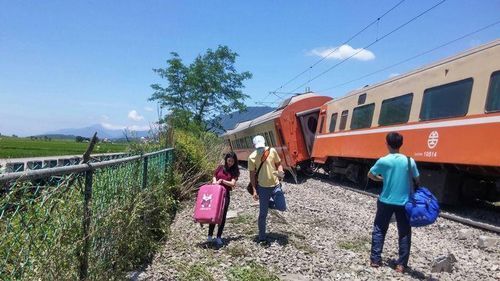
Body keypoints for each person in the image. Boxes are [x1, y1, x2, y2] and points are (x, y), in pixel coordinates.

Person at [367, 132, 420, 273]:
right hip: (404, 203)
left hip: (385, 200)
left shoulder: (383, 161)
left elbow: (370, 174)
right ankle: (401, 265)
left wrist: (381, 179)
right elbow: (417, 179)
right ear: (401, 144)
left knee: (379, 229)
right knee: (404, 232)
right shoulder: (409, 161)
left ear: (387, 144)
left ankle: (375, 260)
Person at [248, 135, 286, 244]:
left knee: (282, 207)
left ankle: (268, 203)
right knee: (263, 214)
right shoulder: (252, 157)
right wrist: (255, 191)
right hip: (263, 188)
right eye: (258, 147)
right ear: (254, 146)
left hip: (275, 185)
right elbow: (251, 175)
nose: (260, 149)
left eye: (261, 147)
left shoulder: (272, 151)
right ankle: (262, 237)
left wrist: (280, 172)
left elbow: (279, 164)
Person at [207, 152, 240, 246]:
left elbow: (233, 184)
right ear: (226, 160)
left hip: (225, 194)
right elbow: (214, 175)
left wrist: (222, 181)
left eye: (232, 161)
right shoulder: (220, 168)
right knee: (213, 213)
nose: (230, 163)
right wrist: (214, 181)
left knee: (222, 215)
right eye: (229, 160)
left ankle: (218, 237)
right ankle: (209, 235)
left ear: (235, 162)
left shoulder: (235, 171)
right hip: (215, 193)